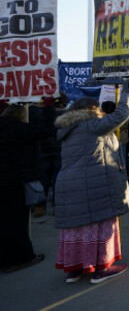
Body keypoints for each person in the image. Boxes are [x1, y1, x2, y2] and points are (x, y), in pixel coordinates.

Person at [54, 81, 129, 284]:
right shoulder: (91, 124)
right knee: (99, 224)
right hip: (93, 184)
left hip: (69, 185)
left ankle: (75, 269)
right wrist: (126, 92)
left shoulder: (68, 128)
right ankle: (100, 268)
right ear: (92, 110)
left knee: (76, 228)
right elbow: (121, 114)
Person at [0, 100, 55, 272]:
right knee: (17, 222)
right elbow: (47, 130)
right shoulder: (19, 129)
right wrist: (48, 107)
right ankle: (20, 258)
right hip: (15, 181)